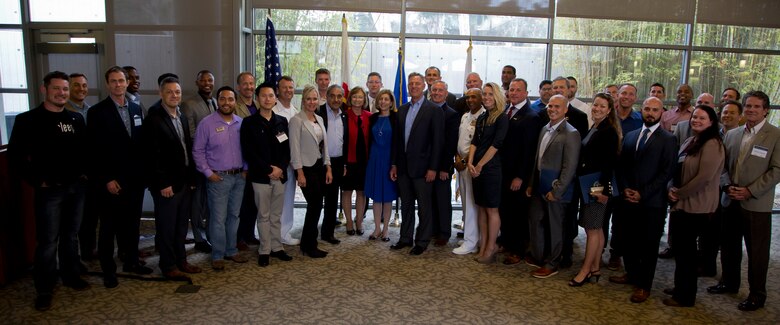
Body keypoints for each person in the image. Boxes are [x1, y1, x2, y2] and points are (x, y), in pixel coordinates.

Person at [9, 71, 89, 311]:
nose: (61, 93)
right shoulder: (28, 121)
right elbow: (16, 157)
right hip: (49, 191)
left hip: (75, 189)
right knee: (47, 241)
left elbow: (86, 151)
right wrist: (37, 181)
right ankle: (44, 287)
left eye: (65, 89)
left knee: (71, 236)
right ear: (45, 89)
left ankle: (70, 275)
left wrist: (85, 175)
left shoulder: (75, 120)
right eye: (57, 89)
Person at [709, 91, 780, 311]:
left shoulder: (775, 135)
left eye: (756, 107)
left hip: (756, 203)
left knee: (757, 252)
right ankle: (729, 282)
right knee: (729, 246)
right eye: (748, 106)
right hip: (730, 198)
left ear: (765, 110)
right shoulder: (733, 134)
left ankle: (757, 294)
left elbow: (777, 170)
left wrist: (749, 191)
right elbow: (723, 166)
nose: (751, 110)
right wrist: (727, 185)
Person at [88, 66, 152, 289]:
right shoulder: (97, 112)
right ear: (108, 84)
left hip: (134, 180)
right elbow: (94, 151)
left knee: (132, 225)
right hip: (111, 182)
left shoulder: (136, 109)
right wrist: (107, 178)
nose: (118, 84)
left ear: (126, 83)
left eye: (121, 80)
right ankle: (109, 270)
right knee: (108, 228)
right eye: (113, 81)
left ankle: (132, 261)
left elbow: (141, 145)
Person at [609, 96, 677, 303]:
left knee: (648, 246)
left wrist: (643, 193)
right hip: (628, 199)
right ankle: (631, 274)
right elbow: (621, 167)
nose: (650, 113)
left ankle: (643, 285)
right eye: (647, 108)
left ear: (661, 112)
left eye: (655, 110)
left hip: (652, 202)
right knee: (628, 240)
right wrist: (627, 189)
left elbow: (667, 172)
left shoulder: (668, 139)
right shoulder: (630, 136)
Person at [662, 105, 724, 307]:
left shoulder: (713, 144)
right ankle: (681, 287)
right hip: (681, 203)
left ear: (712, 122)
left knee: (688, 254)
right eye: (695, 117)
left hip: (697, 206)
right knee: (681, 251)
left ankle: (685, 296)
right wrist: (672, 188)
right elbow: (677, 167)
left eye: (702, 118)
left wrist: (679, 193)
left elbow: (703, 178)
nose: (696, 120)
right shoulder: (691, 141)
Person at [143, 77, 202, 278]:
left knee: (181, 227)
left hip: (184, 181)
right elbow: (152, 155)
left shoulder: (182, 116)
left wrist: (192, 179)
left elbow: (187, 148)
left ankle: (181, 260)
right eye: (169, 92)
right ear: (161, 94)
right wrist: (163, 183)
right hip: (167, 185)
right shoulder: (154, 118)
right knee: (167, 228)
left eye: (177, 92)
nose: (174, 95)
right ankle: (168, 266)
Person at [192, 86, 250, 271]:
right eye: (223, 99)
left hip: (239, 177)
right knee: (218, 218)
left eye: (230, 99)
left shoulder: (241, 123)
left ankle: (231, 250)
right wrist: (209, 173)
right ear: (218, 101)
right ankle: (217, 254)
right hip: (218, 179)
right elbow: (198, 151)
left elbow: (248, 149)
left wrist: (246, 169)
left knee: (234, 216)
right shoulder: (206, 123)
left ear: (235, 101)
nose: (227, 103)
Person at [525, 94, 581, 278]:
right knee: (535, 221)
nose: (552, 109)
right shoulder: (544, 128)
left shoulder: (571, 133)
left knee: (555, 227)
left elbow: (570, 167)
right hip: (539, 185)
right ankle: (539, 256)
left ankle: (553, 262)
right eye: (550, 106)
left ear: (565, 109)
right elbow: (537, 160)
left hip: (556, 190)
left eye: (557, 106)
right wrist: (532, 184)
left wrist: (557, 191)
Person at [390, 72, 444, 255]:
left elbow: (438, 143)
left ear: (424, 86)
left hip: (424, 169)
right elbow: (397, 141)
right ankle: (405, 238)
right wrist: (394, 164)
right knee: (406, 205)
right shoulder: (402, 110)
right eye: (411, 84)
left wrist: (433, 168)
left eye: (417, 84)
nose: (413, 87)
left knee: (424, 207)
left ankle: (422, 241)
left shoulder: (434, 110)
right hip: (404, 167)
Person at [570, 93, 621, 286]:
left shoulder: (608, 131)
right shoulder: (596, 127)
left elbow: (608, 165)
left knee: (592, 229)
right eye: (595, 105)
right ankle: (595, 267)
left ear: (609, 110)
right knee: (596, 228)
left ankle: (585, 271)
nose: (597, 109)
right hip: (588, 183)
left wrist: (603, 191)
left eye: (602, 106)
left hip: (596, 185)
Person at [241, 82, 293, 267]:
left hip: (280, 176)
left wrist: (280, 168)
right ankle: (264, 249)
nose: (267, 99)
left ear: (275, 98)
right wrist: (269, 169)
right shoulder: (249, 123)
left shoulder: (282, 121)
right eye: (263, 96)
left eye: (271, 95)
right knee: (263, 215)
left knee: (276, 215)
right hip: (260, 177)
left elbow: (287, 150)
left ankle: (277, 247)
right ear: (257, 99)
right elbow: (249, 152)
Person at [499, 78, 542, 265]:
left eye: (518, 90)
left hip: (518, 175)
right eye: (511, 89)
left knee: (518, 214)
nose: (514, 93)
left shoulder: (531, 117)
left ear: (526, 93)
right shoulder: (505, 112)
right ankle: (507, 243)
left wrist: (520, 176)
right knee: (505, 210)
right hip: (502, 172)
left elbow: (529, 151)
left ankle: (518, 249)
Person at [290, 85, 333, 258]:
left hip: (319, 167)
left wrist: (328, 167)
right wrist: (299, 172)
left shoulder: (319, 119)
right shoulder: (296, 120)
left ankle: (307, 243)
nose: (312, 102)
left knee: (316, 205)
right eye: (308, 99)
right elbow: (294, 149)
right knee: (315, 205)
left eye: (315, 99)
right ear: (303, 100)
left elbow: (325, 146)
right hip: (305, 168)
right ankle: (309, 245)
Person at [469, 82, 508, 263]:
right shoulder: (483, 117)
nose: (486, 97)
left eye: (490, 94)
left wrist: (481, 165)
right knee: (482, 209)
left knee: (492, 209)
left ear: (497, 96)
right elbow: (475, 142)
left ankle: (491, 247)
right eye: (484, 94)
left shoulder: (501, 118)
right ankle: (483, 245)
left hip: (491, 169)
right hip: (477, 168)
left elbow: (496, 145)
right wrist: (470, 163)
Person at [181, 70, 217, 254]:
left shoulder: (216, 102)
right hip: (199, 162)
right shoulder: (188, 104)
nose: (206, 83)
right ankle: (198, 237)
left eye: (209, 80)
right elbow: (191, 134)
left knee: (210, 202)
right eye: (202, 80)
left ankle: (210, 235)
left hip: (215, 163)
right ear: (196, 82)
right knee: (196, 202)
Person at [65, 73, 96, 262]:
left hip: (91, 175)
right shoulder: (64, 112)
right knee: (71, 223)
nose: (81, 89)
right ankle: (71, 261)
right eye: (76, 85)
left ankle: (88, 251)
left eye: (84, 85)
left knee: (90, 218)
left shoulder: (91, 111)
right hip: (72, 177)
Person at [452, 88, 484, 255]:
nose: (470, 100)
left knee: (472, 205)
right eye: (468, 97)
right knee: (465, 203)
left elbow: (480, 145)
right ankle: (470, 236)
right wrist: (457, 158)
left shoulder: (483, 116)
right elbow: (460, 142)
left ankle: (471, 242)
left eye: (474, 97)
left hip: (472, 166)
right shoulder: (465, 116)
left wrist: (465, 161)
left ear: (481, 98)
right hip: (461, 165)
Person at [364, 89, 399, 242]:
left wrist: (394, 164)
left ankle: (386, 230)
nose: (383, 102)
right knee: (377, 197)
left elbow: (399, 143)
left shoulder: (396, 119)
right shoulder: (372, 118)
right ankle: (377, 228)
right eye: (381, 99)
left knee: (388, 197)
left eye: (386, 99)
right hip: (374, 160)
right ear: (377, 102)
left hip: (389, 160)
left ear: (391, 102)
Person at [429, 81, 459, 247]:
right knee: (429, 199)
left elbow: (450, 144)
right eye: (434, 90)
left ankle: (444, 233)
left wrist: (444, 167)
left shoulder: (452, 114)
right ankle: (432, 228)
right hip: (426, 166)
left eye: (441, 91)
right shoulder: (426, 111)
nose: (437, 93)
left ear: (446, 94)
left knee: (442, 200)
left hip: (442, 167)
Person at [273, 76, 301, 246]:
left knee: (288, 200)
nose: (288, 91)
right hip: (277, 165)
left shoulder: (295, 111)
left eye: (291, 87)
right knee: (274, 203)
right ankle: (273, 235)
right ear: (278, 90)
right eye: (285, 87)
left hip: (291, 165)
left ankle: (284, 233)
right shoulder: (273, 111)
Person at [317, 84, 347, 244]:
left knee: (332, 198)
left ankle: (327, 233)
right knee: (316, 199)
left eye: (339, 96)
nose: (336, 99)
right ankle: (311, 229)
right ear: (327, 97)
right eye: (332, 96)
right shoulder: (318, 112)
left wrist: (344, 164)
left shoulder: (344, 115)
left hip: (337, 162)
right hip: (320, 162)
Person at [341, 86, 372, 236]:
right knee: (347, 191)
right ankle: (348, 221)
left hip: (365, 161)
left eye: (360, 97)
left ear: (364, 99)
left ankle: (359, 221)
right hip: (348, 160)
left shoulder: (370, 116)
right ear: (350, 98)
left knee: (362, 192)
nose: (357, 99)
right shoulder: (343, 116)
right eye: (354, 97)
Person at [234, 72, 259, 250]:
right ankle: (238, 237)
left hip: (257, 162)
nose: (249, 87)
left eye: (251, 84)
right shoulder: (234, 106)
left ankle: (250, 234)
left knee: (253, 201)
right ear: (238, 87)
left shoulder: (258, 104)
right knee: (240, 204)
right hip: (241, 160)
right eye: (245, 84)